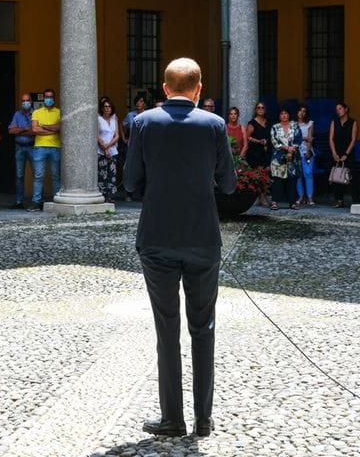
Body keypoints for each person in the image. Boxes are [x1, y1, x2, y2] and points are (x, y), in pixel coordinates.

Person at [123, 57, 236, 439]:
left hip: (157, 236)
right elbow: (230, 184)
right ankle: (204, 419)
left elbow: (130, 181)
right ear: (199, 88)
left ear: (165, 88)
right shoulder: (215, 125)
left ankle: (172, 418)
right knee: (203, 328)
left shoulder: (143, 123)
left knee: (166, 330)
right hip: (203, 237)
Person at [29, 88, 61, 211]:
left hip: (55, 147)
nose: (49, 99)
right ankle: (36, 202)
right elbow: (35, 129)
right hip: (39, 147)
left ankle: (57, 199)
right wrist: (52, 129)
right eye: (47, 97)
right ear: (44, 98)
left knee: (55, 176)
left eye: (51, 97)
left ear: (54, 98)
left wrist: (44, 127)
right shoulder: (37, 112)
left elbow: (60, 127)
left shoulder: (59, 112)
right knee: (38, 176)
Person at [7, 92, 36, 209]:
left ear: (31, 101)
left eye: (27, 100)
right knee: (19, 175)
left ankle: (38, 200)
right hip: (19, 147)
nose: (25, 103)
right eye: (23, 101)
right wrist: (25, 129)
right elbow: (11, 131)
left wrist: (19, 130)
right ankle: (19, 201)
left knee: (37, 174)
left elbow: (35, 131)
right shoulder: (17, 114)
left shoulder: (36, 114)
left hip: (33, 147)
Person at [269, 106, 300, 210]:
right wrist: (287, 148)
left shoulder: (294, 125)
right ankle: (274, 202)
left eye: (286, 113)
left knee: (292, 180)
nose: (284, 115)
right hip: (278, 156)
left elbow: (298, 138)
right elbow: (274, 141)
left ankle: (292, 203)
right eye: (282, 114)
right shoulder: (275, 127)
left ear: (289, 115)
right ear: (279, 116)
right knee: (277, 180)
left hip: (293, 156)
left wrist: (292, 150)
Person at [328, 101, 358, 208]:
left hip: (348, 152)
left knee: (351, 176)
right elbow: (331, 138)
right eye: (337, 109)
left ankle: (356, 200)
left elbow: (353, 140)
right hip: (336, 152)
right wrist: (334, 152)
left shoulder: (353, 122)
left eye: (340, 108)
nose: (338, 111)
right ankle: (339, 200)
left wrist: (346, 154)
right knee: (337, 176)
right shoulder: (334, 122)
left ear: (346, 109)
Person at [245, 102, 270, 206]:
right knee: (259, 174)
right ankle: (262, 197)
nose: (260, 109)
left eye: (262, 107)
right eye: (258, 107)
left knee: (266, 173)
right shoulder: (252, 123)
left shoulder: (267, 122)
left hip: (265, 151)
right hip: (255, 152)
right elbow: (247, 137)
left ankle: (265, 195)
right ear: (255, 110)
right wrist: (258, 141)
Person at [97, 97, 119, 203]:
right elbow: (97, 136)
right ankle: (103, 195)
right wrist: (105, 149)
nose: (107, 108)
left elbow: (117, 135)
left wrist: (109, 146)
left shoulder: (115, 119)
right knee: (102, 174)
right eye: (105, 106)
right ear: (102, 108)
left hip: (113, 150)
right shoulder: (98, 119)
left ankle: (110, 196)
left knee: (112, 174)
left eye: (109, 106)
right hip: (101, 151)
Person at [294, 105, 316, 206]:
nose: (302, 113)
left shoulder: (310, 123)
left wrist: (308, 150)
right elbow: (292, 139)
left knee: (308, 174)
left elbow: (310, 139)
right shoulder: (292, 124)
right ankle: (301, 196)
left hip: (307, 152)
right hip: (296, 152)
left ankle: (310, 197)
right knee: (298, 175)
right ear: (296, 112)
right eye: (300, 111)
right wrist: (304, 138)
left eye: (304, 111)